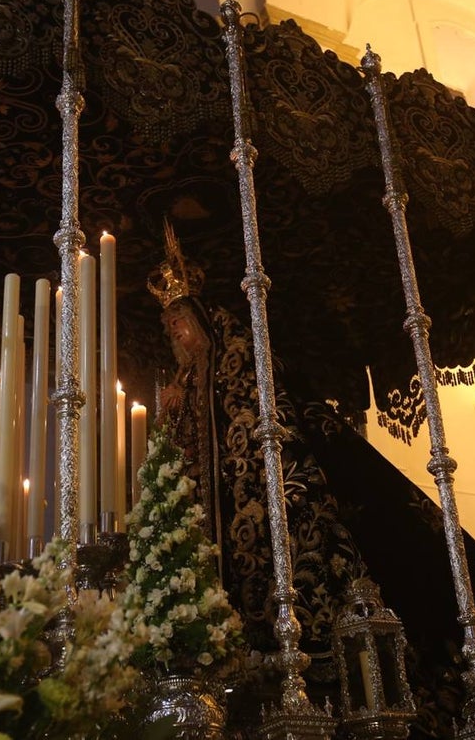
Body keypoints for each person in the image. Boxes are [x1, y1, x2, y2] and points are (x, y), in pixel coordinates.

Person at [147, 222, 367, 663]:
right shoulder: (181, 378)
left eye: (179, 321)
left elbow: (246, 417)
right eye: (168, 325)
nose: (172, 330)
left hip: (236, 496)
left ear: (202, 322)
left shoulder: (232, 362)